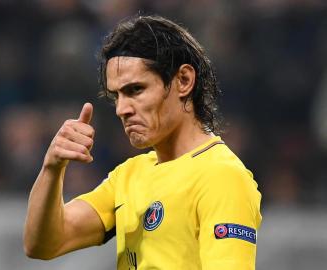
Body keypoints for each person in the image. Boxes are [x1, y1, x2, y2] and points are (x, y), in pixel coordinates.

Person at [24, 15, 262, 270]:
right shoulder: (128, 176)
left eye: (135, 90)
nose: (122, 109)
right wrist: (52, 168)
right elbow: (43, 245)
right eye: (116, 96)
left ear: (183, 80)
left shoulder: (221, 176)